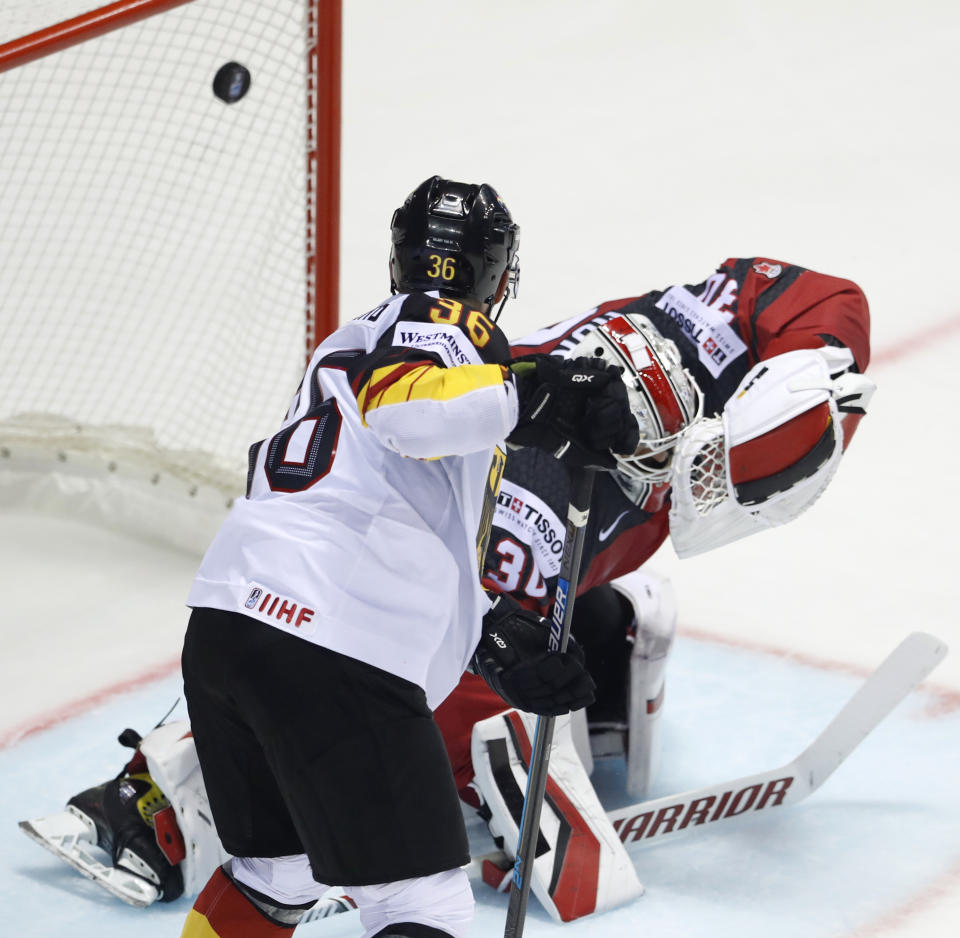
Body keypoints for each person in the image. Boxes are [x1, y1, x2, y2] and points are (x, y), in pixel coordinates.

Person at [20, 257, 874, 923]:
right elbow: (443, 648)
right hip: (344, 610)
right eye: (674, 473)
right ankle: (158, 802)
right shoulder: (532, 509)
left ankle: (604, 632)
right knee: (347, 683)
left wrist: (814, 386)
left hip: (300, 580)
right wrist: (504, 780)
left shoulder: (725, 331)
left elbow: (828, 300)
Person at [178, 174, 639, 938]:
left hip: (227, 624)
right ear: (500, 275)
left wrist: (487, 636)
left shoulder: (345, 343)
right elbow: (407, 412)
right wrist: (534, 391)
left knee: (276, 876)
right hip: (332, 642)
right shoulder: (451, 324)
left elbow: (372, 489)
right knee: (421, 906)